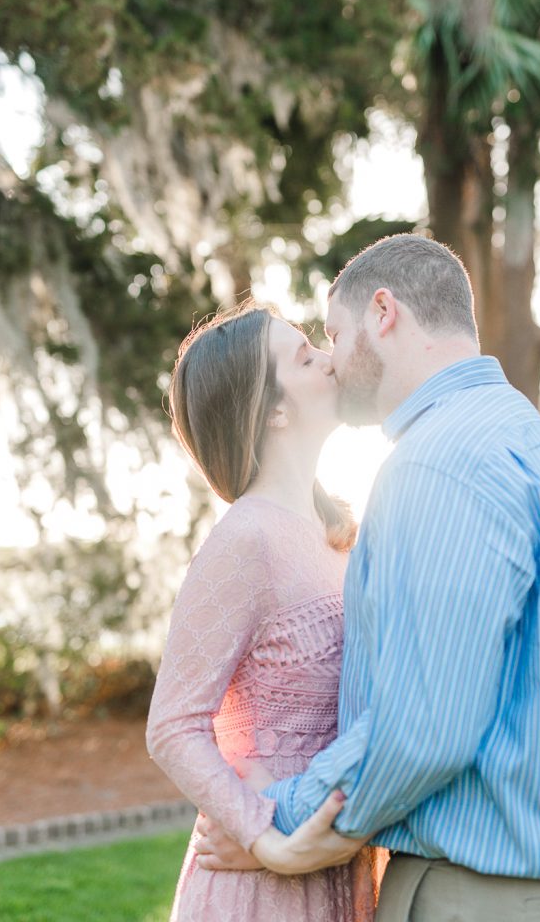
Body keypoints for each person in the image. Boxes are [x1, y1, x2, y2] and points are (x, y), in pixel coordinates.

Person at [197, 234, 540, 922]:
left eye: (333, 332)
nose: (330, 357)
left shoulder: (435, 461)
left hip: (498, 894)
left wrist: (276, 821)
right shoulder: (518, 431)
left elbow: (423, 726)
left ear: (383, 312)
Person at [146, 305, 384, 921]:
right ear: (272, 410)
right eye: (306, 357)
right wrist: (269, 841)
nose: (331, 358)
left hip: (333, 859)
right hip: (262, 886)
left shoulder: (338, 536)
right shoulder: (245, 540)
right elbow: (173, 724)